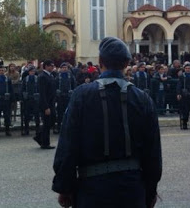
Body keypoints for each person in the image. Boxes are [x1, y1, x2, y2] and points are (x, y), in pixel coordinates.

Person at [52, 37, 162, 208]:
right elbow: (153, 152)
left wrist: (64, 188)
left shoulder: (82, 95)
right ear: (127, 63)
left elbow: (68, 145)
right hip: (131, 189)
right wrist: (151, 190)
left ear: (100, 61)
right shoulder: (142, 98)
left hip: (92, 190)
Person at [34, 60, 56, 149]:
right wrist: (46, 107)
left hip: (51, 102)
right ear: (46, 66)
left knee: (52, 120)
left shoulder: (51, 75)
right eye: (51, 66)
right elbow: (42, 93)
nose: (52, 67)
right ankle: (45, 143)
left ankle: (39, 136)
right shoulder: (42, 76)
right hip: (46, 103)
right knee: (47, 123)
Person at [54, 63, 76, 134]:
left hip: (68, 97)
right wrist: (57, 91)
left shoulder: (71, 76)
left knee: (69, 112)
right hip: (60, 97)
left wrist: (72, 91)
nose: (64, 69)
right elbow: (54, 85)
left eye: (66, 67)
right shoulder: (58, 76)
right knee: (60, 113)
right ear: (61, 68)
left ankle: (68, 127)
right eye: (63, 67)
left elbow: (74, 85)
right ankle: (59, 127)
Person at [20, 66, 40, 136]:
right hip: (27, 99)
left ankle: (37, 129)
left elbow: (40, 88)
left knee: (37, 115)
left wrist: (38, 95)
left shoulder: (38, 79)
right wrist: (23, 97)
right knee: (26, 115)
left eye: (33, 71)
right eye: (31, 71)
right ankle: (26, 129)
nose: (32, 73)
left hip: (35, 99)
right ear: (28, 72)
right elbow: (22, 89)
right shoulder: (25, 79)